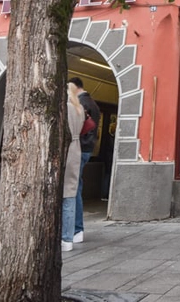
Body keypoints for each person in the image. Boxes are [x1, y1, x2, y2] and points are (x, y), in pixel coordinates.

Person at [69, 76, 100, 242]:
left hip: (79, 148)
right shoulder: (92, 103)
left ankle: (76, 229)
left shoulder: (81, 104)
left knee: (73, 189)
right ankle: (75, 229)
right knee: (75, 186)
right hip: (87, 148)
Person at [61, 82, 85, 252]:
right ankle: (68, 238)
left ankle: (63, 236)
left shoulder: (65, 108)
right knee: (70, 192)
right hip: (76, 149)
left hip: (65, 149)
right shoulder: (79, 109)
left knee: (62, 194)